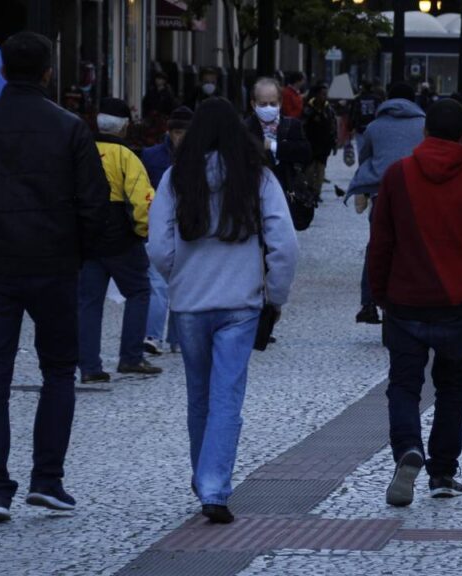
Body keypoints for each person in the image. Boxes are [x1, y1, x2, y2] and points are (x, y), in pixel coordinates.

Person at [0, 31, 109, 523]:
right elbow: (94, 202)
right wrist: (79, 252)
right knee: (59, 371)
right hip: (54, 265)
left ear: (1, 71)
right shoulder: (69, 127)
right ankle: (47, 480)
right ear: (49, 72)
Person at [147, 98, 299, 524]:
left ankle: (204, 480)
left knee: (200, 395)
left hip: (190, 303)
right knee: (227, 397)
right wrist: (275, 294)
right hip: (241, 302)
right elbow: (284, 244)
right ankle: (214, 487)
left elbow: (158, 246)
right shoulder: (257, 178)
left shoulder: (176, 177)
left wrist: (178, 274)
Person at [367, 98, 462, 507]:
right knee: (452, 388)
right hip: (457, 303)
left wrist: (379, 293)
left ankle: (408, 447)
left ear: (425, 133)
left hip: (405, 301)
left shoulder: (397, 176)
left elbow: (381, 243)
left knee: (404, 386)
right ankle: (442, 471)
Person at [78, 98, 162, 382]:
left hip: (87, 235)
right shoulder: (126, 156)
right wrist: (142, 231)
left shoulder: (81, 151)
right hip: (120, 235)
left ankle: (89, 365)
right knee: (139, 292)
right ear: (125, 126)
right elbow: (142, 200)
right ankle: (131, 357)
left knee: (89, 301)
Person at [348, 82, 426, 325]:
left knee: (377, 247)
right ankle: (416, 300)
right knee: (415, 247)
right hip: (416, 196)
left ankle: (369, 302)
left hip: (382, 195)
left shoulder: (373, 127)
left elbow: (366, 160)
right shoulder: (425, 125)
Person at [140, 105, 193, 355]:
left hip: (188, 227)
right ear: (169, 131)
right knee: (158, 283)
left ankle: (177, 337)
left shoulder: (199, 160)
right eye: (177, 131)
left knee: (183, 283)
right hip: (158, 224)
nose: (180, 137)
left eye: (185, 132)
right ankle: (153, 335)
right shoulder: (151, 157)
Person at [244, 77, 314, 227]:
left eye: (272, 103)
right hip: (253, 195)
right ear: (253, 104)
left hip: (285, 191)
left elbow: (306, 153)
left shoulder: (291, 125)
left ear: (280, 103)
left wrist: (275, 146)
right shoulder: (244, 128)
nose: (268, 107)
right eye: (263, 104)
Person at [301, 83, 338, 200]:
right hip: (310, 143)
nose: (325, 96)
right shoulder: (308, 108)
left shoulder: (329, 109)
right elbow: (303, 125)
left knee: (320, 169)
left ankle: (317, 193)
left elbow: (333, 126)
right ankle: (308, 191)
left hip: (324, 144)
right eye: (323, 94)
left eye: (326, 94)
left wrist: (334, 142)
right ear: (316, 95)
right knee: (309, 170)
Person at [349, 81, 382, 154]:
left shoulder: (358, 99)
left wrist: (351, 127)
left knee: (361, 151)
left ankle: (363, 164)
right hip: (374, 128)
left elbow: (353, 113)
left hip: (361, 128)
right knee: (373, 151)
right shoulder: (377, 99)